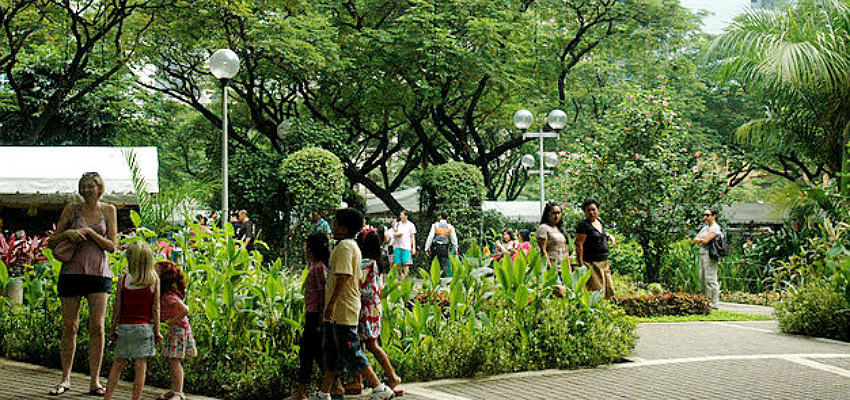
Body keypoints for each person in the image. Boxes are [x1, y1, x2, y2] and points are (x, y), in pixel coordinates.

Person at [309, 208, 394, 400]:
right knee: (331, 352)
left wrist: (331, 303)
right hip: (338, 310)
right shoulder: (345, 246)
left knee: (351, 349)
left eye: (336, 223)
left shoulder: (346, 247)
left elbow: (345, 276)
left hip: (343, 309)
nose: (333, 225)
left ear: (344, 228)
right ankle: (324, 392)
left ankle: (379, 387)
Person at [48, 172, 118, 396]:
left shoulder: (109, 210)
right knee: (70, 327)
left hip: (99, 274)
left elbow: (112, 246)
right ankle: (65, 379)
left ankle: (95, 381)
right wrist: (69, 232)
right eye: (83, 186)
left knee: (97, 328)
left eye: (91, 186)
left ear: (100, 188)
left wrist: (89, 232)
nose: (87, 190)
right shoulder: (72, 209)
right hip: (71, 273)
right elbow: (52, 241)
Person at [344, 229, 403, 396]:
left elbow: (360, 285)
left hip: (365, 308)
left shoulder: (365, 263)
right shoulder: (376, 262)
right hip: (373, 307)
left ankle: (392, 376)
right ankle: (357, 381)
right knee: (361, 345)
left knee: (370, 344)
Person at [104, 242, 162, 400]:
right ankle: (135, 398)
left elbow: (118, 307)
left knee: (118, 364)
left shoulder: (123, 280)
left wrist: (112, 328)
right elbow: (155, 308)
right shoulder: (153, 280)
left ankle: (107, 397)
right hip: (144, 328)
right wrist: (157, 330)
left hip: (125, 327)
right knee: (140, 365)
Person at [290, 233, 331, 400]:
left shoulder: (318, 269)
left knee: (307, 353)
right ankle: (332, 386)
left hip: (315, 316)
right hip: (314, 315)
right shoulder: (321, 267)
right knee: (318, 353)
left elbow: (322, 295)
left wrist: (321, 319)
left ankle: (302, 391)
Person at [155, 261, 197, 400]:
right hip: (175, 331)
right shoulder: (165, 295)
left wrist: (172, 321)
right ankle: (174, 390)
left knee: (175, 361)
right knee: (172, 360)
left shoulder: (169, 296)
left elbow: (185, 310)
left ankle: (179, 393)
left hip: (179, 331)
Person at [575, 198, 616, 299]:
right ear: (584, 212)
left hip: (604, 262)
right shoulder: (583, 226)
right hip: (591, 263)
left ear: (598, 210)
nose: (591, 212)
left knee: (609, 290)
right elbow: (579, 244)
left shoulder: (599, 221)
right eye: (588, 210)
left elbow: (600, 234)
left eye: (593, 209)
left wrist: (609, 236)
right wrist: (580, 265)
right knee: (597, 291)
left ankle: (607, 312)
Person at [693, 208, 722, 307]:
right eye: (704, 215)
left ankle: (714, 303)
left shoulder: (715, 228)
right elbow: (696, 239)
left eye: (707, 215)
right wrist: (701, 240)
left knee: (711, 279)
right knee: (702, 279)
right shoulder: (705, 228)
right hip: (702, 254)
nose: (705, 217)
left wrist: (701, 240)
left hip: (710, 255)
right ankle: (706, 301)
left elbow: (705, 241)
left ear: (714, 216)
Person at [536, 202, 570, 276]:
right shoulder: (543, 228)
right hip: (552, 268)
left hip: (563, 269)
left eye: (558, 213)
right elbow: (543, 250)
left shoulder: (560, 229)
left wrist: (569, 269)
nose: (556, 216)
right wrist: (550, 269)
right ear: (548, 214)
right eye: (554, 213)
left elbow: (566, 251)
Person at [424, 212, 458, 277]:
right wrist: (456, 249)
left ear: (440, 217)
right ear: (447, 218)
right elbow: (454, 239)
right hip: (444, 248)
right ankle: (443, 280)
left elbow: (430, 237)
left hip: (435, 247)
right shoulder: (450, 227)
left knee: (434, 263)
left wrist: (427, 248)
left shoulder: (435, 225)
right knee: (444, 264)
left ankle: (433, 279)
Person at [392, 211, 416, 280]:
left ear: (406, 216)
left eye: (402, 215)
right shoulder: (398, 224)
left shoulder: (411, 225)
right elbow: (394, 232)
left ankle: (404, 278)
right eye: (400, 215)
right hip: (397, 246)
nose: (400, 216)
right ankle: (401, 275)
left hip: (406, 246)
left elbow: (412, 237)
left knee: (406, 263)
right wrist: (394, 229)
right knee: (397, 264)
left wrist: (413, 247)